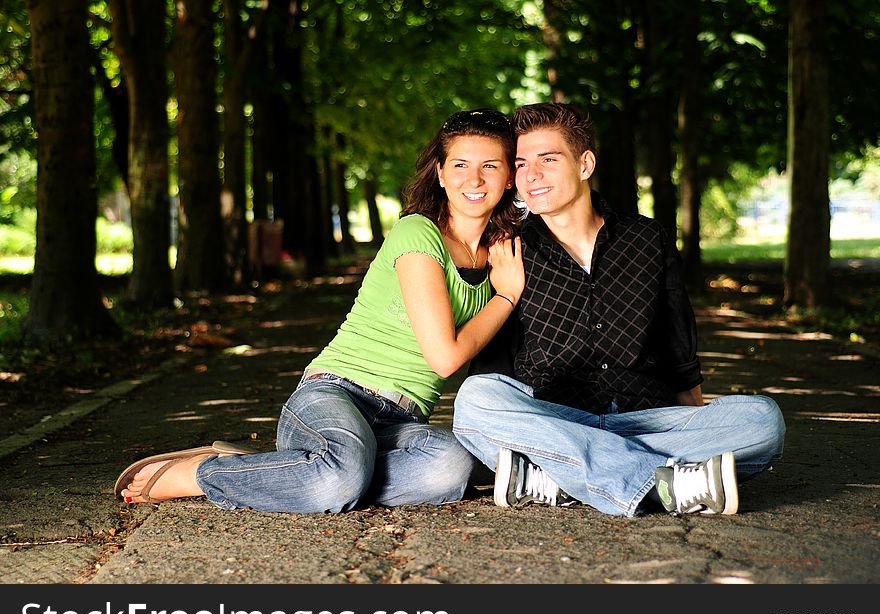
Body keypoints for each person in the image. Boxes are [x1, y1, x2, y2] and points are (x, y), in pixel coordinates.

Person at [115, 108, 525, 513]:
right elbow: (445, 357)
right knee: (341, 477)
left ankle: (291, 472)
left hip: (401, 420)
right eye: (460, 164)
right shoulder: (417, 232)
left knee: (451, 467)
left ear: (509, 177)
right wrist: (506, 297)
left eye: (490, 165)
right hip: (334, 394)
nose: (474, 179)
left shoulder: (502, 254)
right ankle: (204, 474)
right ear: (439, 172)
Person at [452, 102, 785, 517]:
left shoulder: (647, 238)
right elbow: (494, 373)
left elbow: (677, 344)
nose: (531, 175)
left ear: (585, 163)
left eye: (548, 160)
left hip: (643, 418)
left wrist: (696, 421)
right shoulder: (507, 249)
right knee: (475, 399)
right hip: (556, 417)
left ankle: (559, 478)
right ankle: (664, 483)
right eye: (520, 164)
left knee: (761, 421)